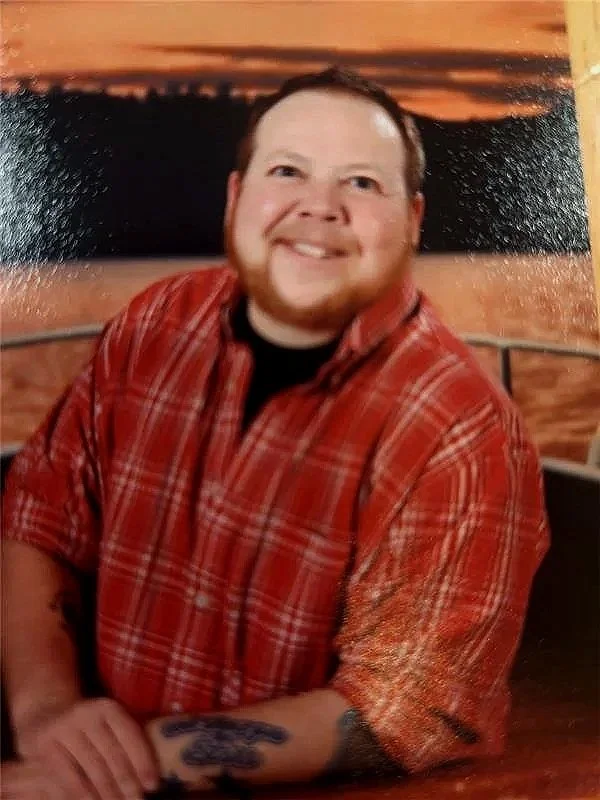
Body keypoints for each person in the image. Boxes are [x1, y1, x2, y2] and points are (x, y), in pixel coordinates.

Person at [1, 66, 549, 798]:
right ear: (237, 197)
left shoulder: (462, 428)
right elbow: (40, 519)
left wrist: (92, 770)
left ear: (414, 219)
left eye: (361, 183)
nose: (318, 208)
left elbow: (407, 710)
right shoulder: (156, 321)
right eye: (287, 170)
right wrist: (47, 713)